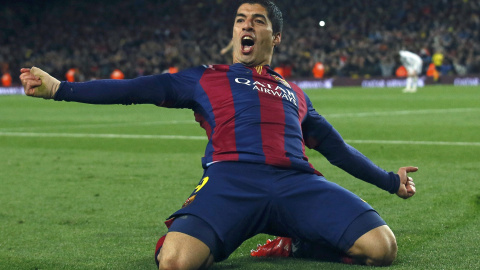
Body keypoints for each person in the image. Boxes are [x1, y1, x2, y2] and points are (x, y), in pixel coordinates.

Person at [20, 1, 417, 269]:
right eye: (240, 19)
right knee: (176, 262)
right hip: (231, 181)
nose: (246, 25)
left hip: (297, 183)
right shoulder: (204, 78)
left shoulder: (296, 93)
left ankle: (294, 243)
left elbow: (336, 149)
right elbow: (133, 89)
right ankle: (199, 233)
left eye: (258, 20)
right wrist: (60, 89)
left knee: (383, 249)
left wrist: (389, 182)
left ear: (274, 37)